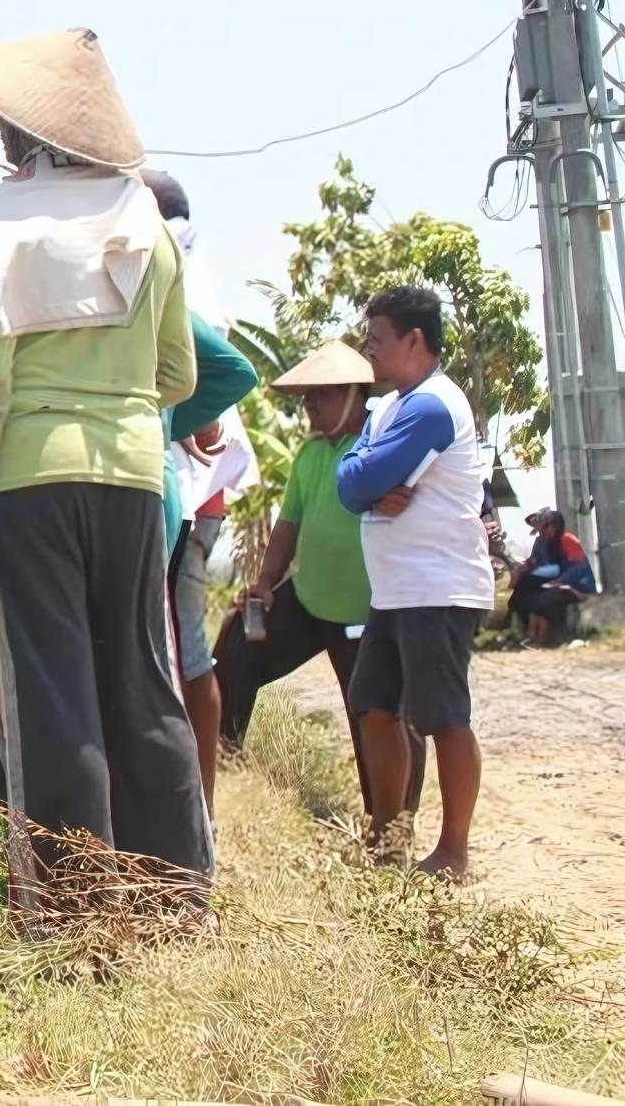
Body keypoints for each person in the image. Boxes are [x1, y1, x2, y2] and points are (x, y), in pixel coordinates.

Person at [0, 27, 212, 910]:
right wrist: (118, 398)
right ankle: (175, 897)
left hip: (30, 485)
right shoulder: (145, 225)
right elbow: (181, 376)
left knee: (53, 692)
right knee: (142, 676)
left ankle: (75, 907)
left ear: (21, 133)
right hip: (130, 476)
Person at [209, 340, 425, 823]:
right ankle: (225, 768)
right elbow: (289, 524)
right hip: (310, 599)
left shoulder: (380, 444)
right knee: (236, 651)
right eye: (305, 396)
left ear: (354, 395)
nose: (308, 405)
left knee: (376, 711)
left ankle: (391, 826)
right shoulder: (310, 456)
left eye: (321, 395)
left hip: (367, 609)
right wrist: (265, 582)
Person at [337, 285, 494, 879]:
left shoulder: (433, 406)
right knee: (373, 705)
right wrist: (371, 481)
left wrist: (370, 479)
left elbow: (359, 480)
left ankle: (454, 851)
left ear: (415, 340)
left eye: (376, 341)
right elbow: (349, 481)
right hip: (395, 589)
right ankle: (388, 835)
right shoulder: (387, 409)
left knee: (442, 716)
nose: (368, 352)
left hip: (439, 585)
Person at [140, 171, 259, 811]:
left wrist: (183, 421)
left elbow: (207, 377)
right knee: (177, 642)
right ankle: (193, 808)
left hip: (184, 495)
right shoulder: (184, 261)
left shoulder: (171, 262)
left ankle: (195, 810)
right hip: (188, 493)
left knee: (178, 645)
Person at [159, 313, 256, 813]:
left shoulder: (166, 274)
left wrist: (182, 419)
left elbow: (223, 379)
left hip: (187, 508)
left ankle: (200, 814)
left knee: (184, 655)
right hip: (188, 504)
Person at [507, 508, 596, 646]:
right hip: (561, 585)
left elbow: (579, 568)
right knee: (530, 596)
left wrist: (559, 581)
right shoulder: (550, 542)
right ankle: (530, 635)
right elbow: (538, 562)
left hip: (578, 586)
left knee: (544, 601)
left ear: (555, 525)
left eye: (545, 528)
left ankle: (541, 639)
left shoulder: (568, 540)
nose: (542, 532)